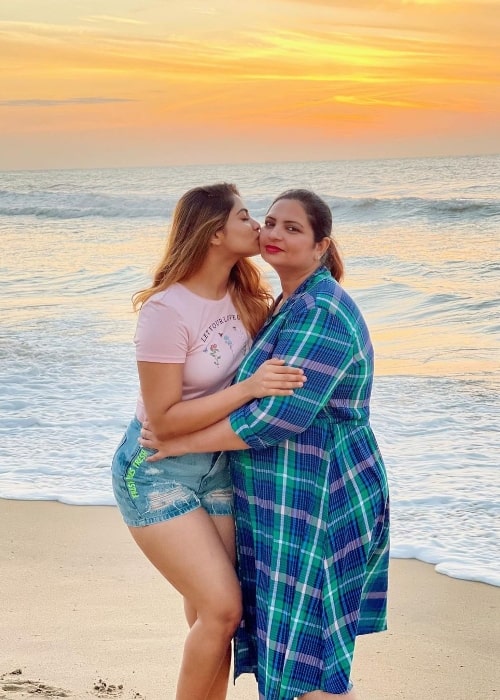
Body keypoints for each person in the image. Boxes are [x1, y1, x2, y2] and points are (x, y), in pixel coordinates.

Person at [140, 189, 390, 700]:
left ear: (322, 246)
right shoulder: (281, 303)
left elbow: (278, 417)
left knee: (311, 650)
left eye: (291, 228)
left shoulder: (320, 310)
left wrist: (184, 439)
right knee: (265, 631)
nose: (272, 233)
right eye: (267, 221)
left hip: (324, 493)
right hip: (283, 494)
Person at [111, 183, 305, 700]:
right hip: (155, 470)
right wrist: (249, 387)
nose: (258, 227)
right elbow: (165, 420)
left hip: (219, 465)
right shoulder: (165, 312)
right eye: (246, 218)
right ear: (215, 233)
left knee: (211, 613)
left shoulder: (245, 294)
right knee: (223, 609)